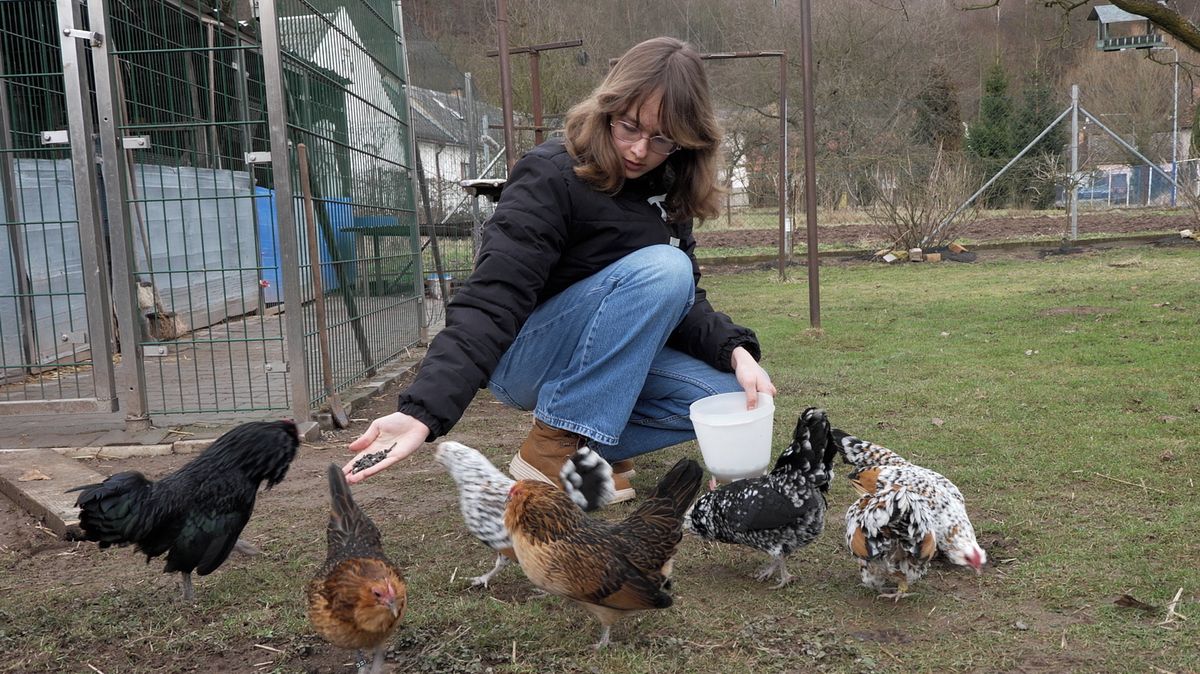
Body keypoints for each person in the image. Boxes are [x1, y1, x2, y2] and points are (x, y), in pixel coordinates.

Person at [344, 36, 775, 502]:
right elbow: (494, 296)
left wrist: (735, 351)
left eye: (662, 140)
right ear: (607, 109)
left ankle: (585, 448)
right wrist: (423, 410)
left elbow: (682, 300)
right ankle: (551, 448)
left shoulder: (668, 189)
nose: (638, 150)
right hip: (527, 353)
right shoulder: (550, 174)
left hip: (592, 356)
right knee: (663, 268)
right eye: (629, 127)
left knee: (725, 397)